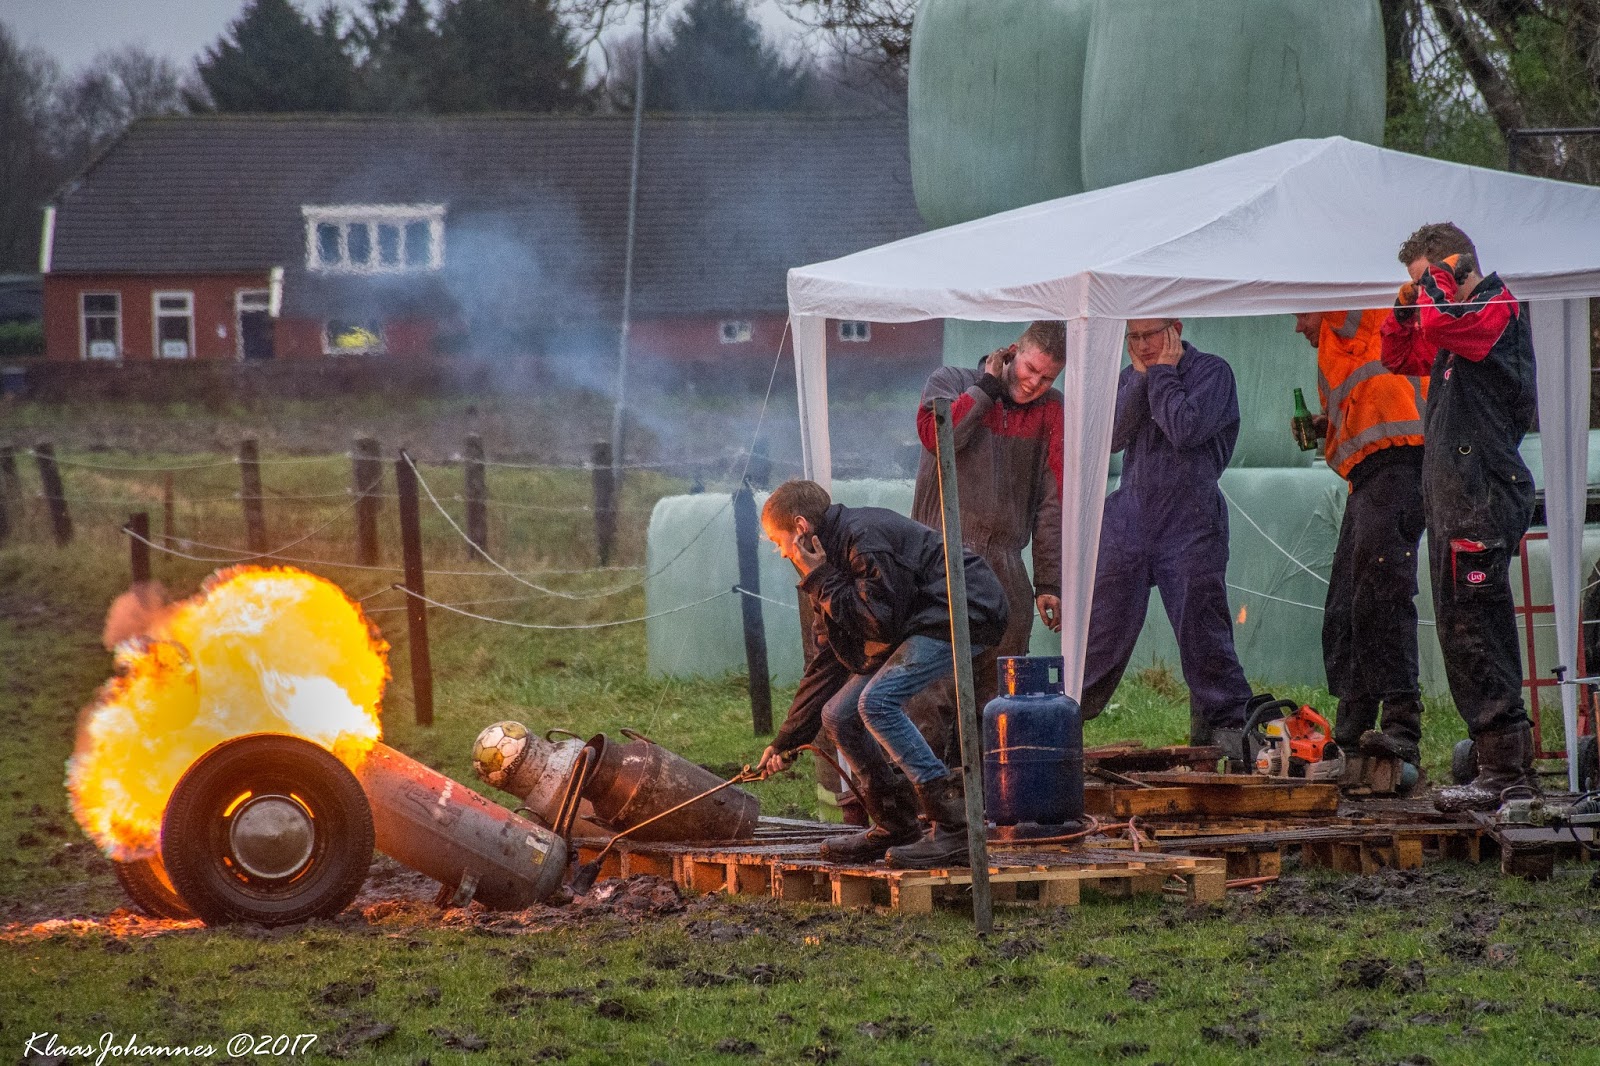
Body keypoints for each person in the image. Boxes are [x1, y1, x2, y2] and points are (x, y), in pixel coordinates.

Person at [755, 479, 1008, 868]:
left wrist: (822, 579)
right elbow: (830, 659)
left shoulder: (862, 541)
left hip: (964, 609)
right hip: (919, 619)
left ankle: (954, 829)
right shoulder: (828, 564)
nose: (778, 551)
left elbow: (880, 623)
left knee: (877, 702)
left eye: (778, 540)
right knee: (838, 714)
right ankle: (897, 825)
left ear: (801, 528)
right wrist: (787, 739)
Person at [1378, 222, 1538, 811]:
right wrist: (1404, 304)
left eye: (1425, 281)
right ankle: (1497, 761)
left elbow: (1444, 320)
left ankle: (1508, 769)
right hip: (1454, 501)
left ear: (1451, 268)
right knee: (1459, 630)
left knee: (1478, 627)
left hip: (1483, 497)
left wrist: (1435, 284)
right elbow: (1396, 353)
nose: (1421, 296)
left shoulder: (1493, 307)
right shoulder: (1451, 332)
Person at [1080, 318, 1254, 758]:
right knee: (1099, 633)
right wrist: (1141, 376)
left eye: (1149, 336)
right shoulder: (1130, 375)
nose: (1139, 346)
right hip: (1131, 520)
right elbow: (1112, 436)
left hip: (1191, 522)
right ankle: (1063, 722)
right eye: (1132, 338)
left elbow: (1184, 429)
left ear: (1174, 329)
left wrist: (1159, 373)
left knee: (1203, 635)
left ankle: (1230, 731)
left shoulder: (1213, 373)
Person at [909, 320, 1065, 756]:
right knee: (930, 693)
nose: (1035, 383)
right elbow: (937, 438)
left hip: (1005, 571)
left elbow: (1053, 499)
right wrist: (985, 390)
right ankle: (927, 810)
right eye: (1030, 368)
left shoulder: (1052, 410)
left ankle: (992, 809)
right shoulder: (948, 381)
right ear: (1012, 352)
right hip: (938, 561)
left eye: (1047, 377)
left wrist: (1049, 579)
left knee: (996, 703)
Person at [1291, 308, 1428, 773]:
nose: (1298, 326)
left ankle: (1401, 726)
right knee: (1348, 604)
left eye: (1301, 313)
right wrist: (1320, 421)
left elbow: (1321, 271)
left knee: (1382, 594)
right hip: (1369, 474)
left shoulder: (1352, 312)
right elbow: (1360, 399)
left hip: (1401, 463)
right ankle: (1352, 727)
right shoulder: (1340, 349)